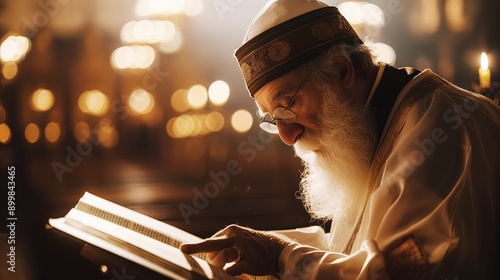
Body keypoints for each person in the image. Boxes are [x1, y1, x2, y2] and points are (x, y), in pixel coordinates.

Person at [181, 0, 500, 278]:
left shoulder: (441, 127)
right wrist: (263, 248)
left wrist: (280, 256)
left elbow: (404, 269)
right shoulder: (369, 127)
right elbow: (352, 248)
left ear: (344, 71)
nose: (287, 136)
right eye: (273, 118)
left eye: (287, 105)